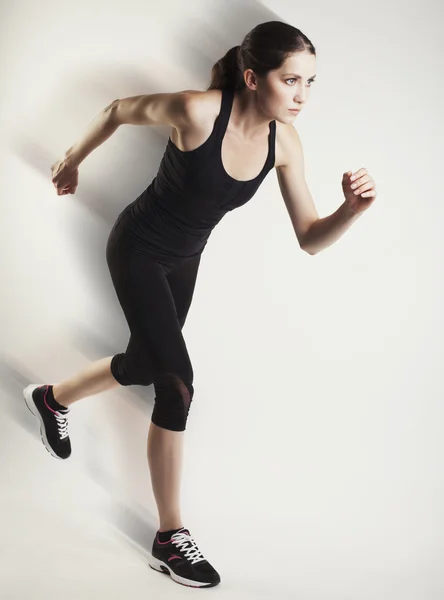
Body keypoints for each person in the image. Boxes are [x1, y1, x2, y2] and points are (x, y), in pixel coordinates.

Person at [23, 20, 377, 589]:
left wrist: (351, 210)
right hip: (137, 249)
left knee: (144, 365)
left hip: (183, 261)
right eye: (291, 81)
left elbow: (310, 237)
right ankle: (170, 536)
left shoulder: (284, 143)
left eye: (311, 82)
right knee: (177, 384)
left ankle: (50, 398)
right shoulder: (196, 111)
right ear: (252, 76)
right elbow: (118, 109)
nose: (303, 96)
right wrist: (71, 159)